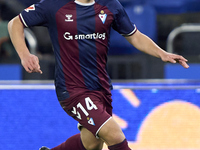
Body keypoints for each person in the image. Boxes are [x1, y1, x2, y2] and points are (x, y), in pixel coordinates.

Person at [8, 0, 189, 149]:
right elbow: (15, 23)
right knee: (115, 135)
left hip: (101, 88)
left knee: (92, 144)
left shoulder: (110, 6)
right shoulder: (54, 5)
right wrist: (25, 54)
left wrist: (162, 53)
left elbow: (134, 35)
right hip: (73, 89)